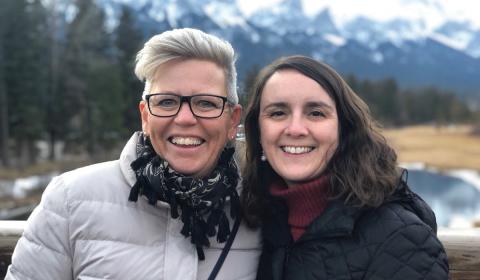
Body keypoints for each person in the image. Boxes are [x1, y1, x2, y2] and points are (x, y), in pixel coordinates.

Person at [6, 28, 261, 280]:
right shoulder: (70, 201)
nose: (185, 118)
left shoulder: (261, 211)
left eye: (206, 103)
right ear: (145, 117)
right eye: (166, 102)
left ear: (232, 121)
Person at [241, 55, 449, 279]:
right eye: (278, 113)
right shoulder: (254, 221)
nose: (295, 129)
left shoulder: (401, 240)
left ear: (344, 129)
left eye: (316, 113)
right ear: (258, 131)